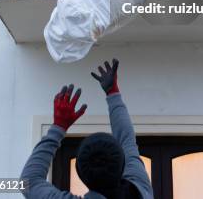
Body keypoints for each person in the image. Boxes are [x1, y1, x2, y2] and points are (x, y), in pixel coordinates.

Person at [20, 59, 153, 199]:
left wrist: (58, 127)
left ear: (79, 173)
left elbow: (29, 182)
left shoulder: (140, 186)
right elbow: (127, 140)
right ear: (123, 164)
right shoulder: (140, 189)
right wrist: (113, 93)